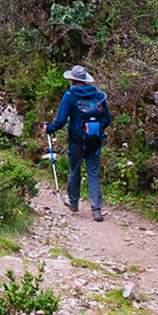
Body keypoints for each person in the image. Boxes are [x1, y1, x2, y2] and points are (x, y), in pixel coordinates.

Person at [45, 64, 111, 220]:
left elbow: (61, 120)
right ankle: (96, 209)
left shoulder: (70, 95)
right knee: (93, 173)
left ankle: (73, 203)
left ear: (72, 80)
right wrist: (96, 129)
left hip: (76, 139)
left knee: (75, 170)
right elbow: (106, 119)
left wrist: (49, 128)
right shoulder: (98, 95)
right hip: (95, 140)